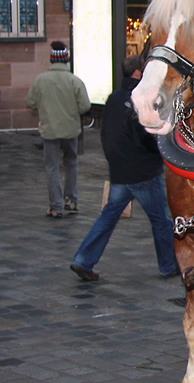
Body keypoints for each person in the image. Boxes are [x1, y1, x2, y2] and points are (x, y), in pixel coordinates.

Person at [69, 56, 179, 282]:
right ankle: (168, 265)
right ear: (139, 73)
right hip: (143, 173)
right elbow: (147, 136)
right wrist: (161, 149)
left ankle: (83, 260)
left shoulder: (114, 98)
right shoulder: (140, 99)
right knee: (160, 221)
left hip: (120, 171)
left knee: (108, 217)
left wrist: (114, 160)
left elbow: (106, 133)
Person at [26, 41, 91, 218]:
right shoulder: (75, 81)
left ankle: (56, 205)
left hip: (49, 131)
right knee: (71, 163)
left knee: (52, 167)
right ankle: (71, 199)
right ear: (66, 60)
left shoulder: (40, 80)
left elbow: (30, 102)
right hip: (71, 130)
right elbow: (84, 106)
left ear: (51, 60)